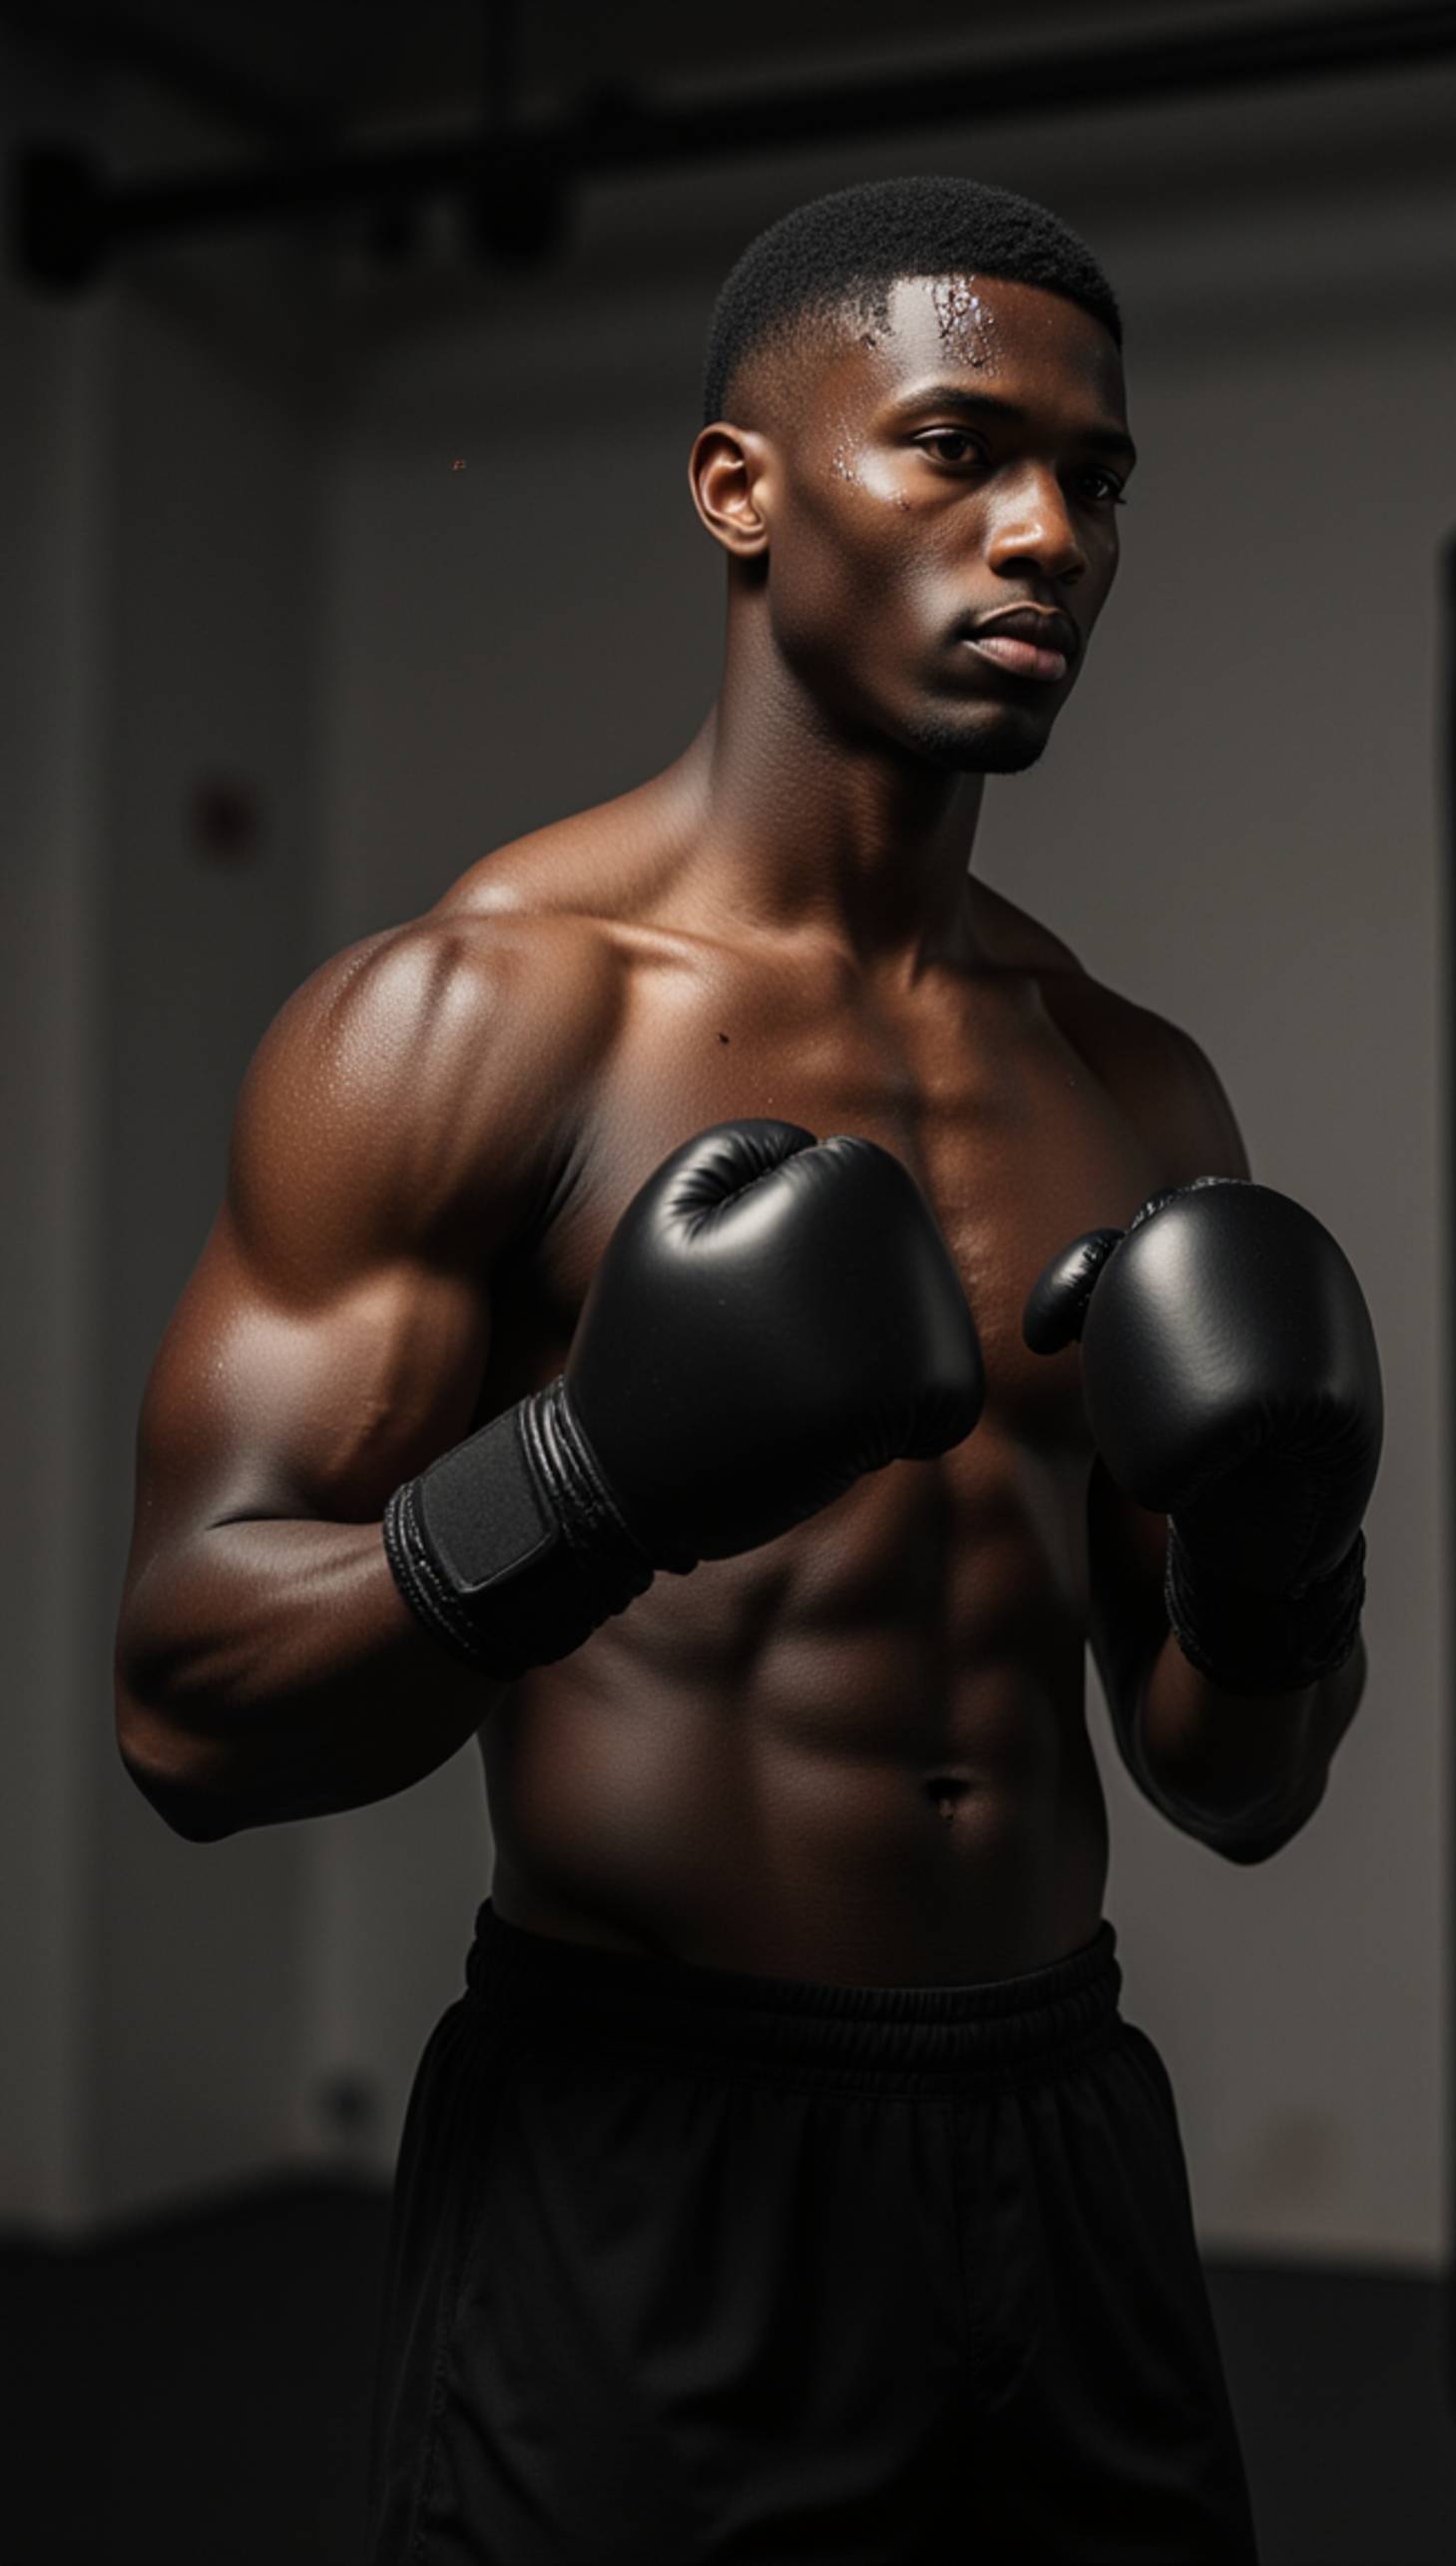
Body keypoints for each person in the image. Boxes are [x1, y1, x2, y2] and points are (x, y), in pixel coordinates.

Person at [113, 174, 1383, 2566]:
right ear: (740, 488)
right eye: (954, 447)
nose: (1044, 535)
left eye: (1091, 479)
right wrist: (586, 1476)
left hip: (1061, 2135)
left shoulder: (1134, 1080)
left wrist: (1281, 1558)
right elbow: (184, 1706)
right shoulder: (473, 1019)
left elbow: (1235, 1784)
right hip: (642, 2154)